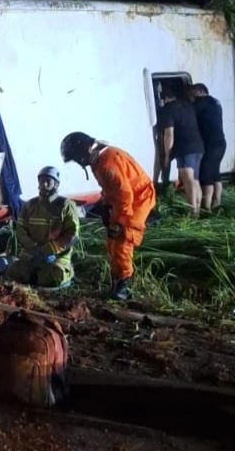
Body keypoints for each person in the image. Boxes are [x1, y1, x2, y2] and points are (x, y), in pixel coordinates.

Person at [60, 132, 155, 301]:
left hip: (137, 199)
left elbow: (125, 195)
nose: (79, 162)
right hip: (126, 198)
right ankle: (117, 280)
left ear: (86, 150)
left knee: (122, 239)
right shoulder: (100, 160)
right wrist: (105, 206)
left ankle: (123, 286)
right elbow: (111, 189)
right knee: (112, 240)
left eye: (77, 158)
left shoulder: (107, 163)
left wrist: (118, 222)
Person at [5, 166, 80, 288]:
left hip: (56, 257)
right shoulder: (30, 205)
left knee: (52, 277)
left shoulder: (66, 205)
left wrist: (49, 249)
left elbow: (72, 234)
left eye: (48, 182)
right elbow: (20, 229)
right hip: (32, 255)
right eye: (41, 181)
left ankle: (67, 273)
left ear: (56, 184)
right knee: (13, 272)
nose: (44, 184)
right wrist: (32, 247)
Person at [156, 87, 204, 218]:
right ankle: (198, 209)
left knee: (188, 180)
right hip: (198, 146)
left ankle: (192, 212)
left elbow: (169, 135)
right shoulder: (187, 106)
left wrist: (167, 156)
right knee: (195, 179)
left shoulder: (168, 109)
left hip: (185, 148)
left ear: (165, 99)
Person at [189, 82, 227, 212]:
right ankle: (217, 202)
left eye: (193, 92)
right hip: (220, 142)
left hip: (210, 144)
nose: (191, 96)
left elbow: (189, 111)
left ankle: (207, 207)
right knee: (215, 173)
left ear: (200, 91)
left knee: (206, 175)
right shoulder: (215, 102)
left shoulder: (201, 102)